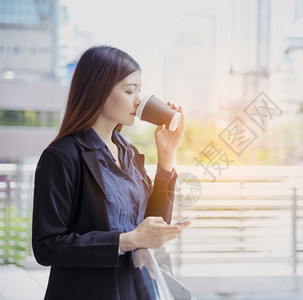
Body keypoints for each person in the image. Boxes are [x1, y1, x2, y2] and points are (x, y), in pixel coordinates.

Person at [32, 45, 190, 299]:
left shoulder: (128, 153)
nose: (139, 100)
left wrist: (167, 157)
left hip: (133, 289)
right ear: (99, 91)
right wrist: (126, 241)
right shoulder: (62, 156)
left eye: (139, 90)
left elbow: (152, 225)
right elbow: (46, 246)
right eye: (130, 91)